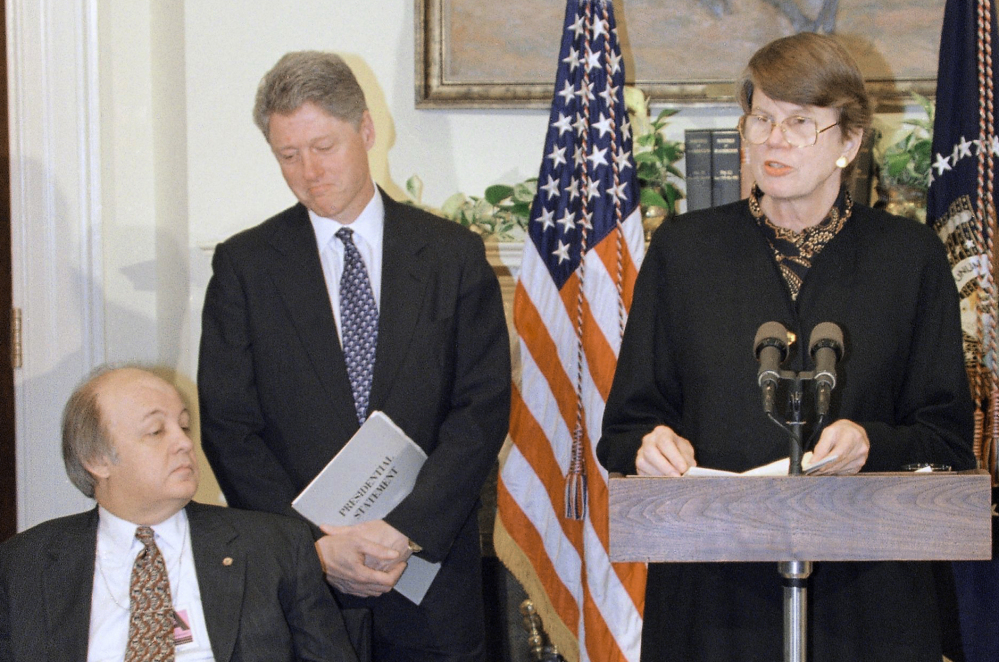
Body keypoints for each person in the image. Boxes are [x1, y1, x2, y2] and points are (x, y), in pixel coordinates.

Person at [597, 32, 975, 662]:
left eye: (801, 122)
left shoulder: (910, 259)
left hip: (869, 597)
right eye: (762, 119)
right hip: (713, 595)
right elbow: (625, 426)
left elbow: (946, 440)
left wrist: (870, 443)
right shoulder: (684, 253)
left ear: (848, 143)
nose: (774, 139)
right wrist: (647, 446)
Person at [197, 51, 510, 662]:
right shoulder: (245, 267)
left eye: (323, 146)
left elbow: (481, 409)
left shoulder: (453, 256)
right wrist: (313, 546)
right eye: (288, 156)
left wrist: (404, 530)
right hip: (303, 585)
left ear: (366, 130)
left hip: (429, 576)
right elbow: (230, 429)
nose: (309, 172)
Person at [0, 365, 357, 662]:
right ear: (96, 460)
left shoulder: (275, 547)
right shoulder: (25, 564)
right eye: (156, 431)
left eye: (184, 426)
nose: (185, 443)